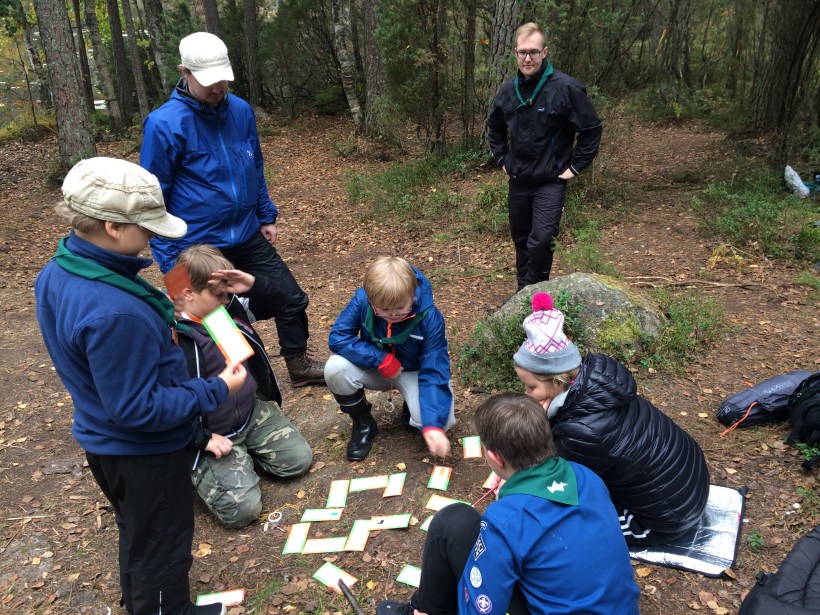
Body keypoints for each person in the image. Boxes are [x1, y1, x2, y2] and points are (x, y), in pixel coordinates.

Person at [34, 157, 247, 615]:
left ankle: (143, 605)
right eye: (145, 227)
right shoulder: (114, 311)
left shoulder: (59, 270)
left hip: (106, 441)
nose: (152, 237)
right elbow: (138, 409)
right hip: (143, 450)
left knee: (139, 532)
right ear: (112, 226)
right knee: (165, 545)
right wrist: (215, 389)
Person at [140, 31, 325, 387]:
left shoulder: (240, 111)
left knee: (290, 298)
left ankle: (298, 365)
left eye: (222, 79)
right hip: (197, 246)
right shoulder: (164, 124)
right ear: (184, 72)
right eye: (208, 81)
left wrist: (265, 214)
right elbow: (154, 197)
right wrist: (172, 265)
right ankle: (243, 383)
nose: (217, 88)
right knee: (214, 317)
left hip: (245, 231)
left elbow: (254, 165)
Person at [377, 393, 640, 615]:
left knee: (452, 520)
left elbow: (482, 608)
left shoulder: (505, 520)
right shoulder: (586, 476)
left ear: (494, 458)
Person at [513, 292, 710, 545]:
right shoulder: (595, 384)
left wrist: (535, 433)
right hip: (686, 485)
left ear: (558, 381)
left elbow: (555, 480)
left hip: (664, 519)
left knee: (560, 520)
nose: (526, 395)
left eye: (530, 388)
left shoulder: (583, 431)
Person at [172, 245, 313, 528]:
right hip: (210, 431)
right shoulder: (171, 336)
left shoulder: (226, 307)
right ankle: (206, 469)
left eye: (230, 293)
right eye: (220, 294)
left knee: (298, 461)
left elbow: (288, 301)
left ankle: (244, 455)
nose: (228, 299)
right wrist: (200, 438)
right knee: (242, 511)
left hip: (249, 410)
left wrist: (254, 284)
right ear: (188, 293)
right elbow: (165, 402)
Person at [487, 22, 603, 291]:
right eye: (523, 52)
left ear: (544, 52)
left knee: (540, 239)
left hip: (550, 181)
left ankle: (533, 299)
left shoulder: (565, 88)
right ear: (515, 52)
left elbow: (591, 128)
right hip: (518, 179)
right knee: (521, 239)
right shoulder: (507, 91)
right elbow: (494, 128)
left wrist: (575, 167)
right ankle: (523, 296)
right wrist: (503, 159)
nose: (528, 58)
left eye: (534, 52)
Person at [325, 256, 454, 461]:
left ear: (413, 296)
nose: (393, 314)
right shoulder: (362, 301)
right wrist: (380, 359)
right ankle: (363, 423)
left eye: (401, 307)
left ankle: (410, 409)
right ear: (371, 300)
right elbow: (338, 337)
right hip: (376, 368)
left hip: (413, 372)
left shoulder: (430, 318)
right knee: (335, 368)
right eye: (384, 309)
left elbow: (435, 369)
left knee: (441, 422)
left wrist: (433, 425)